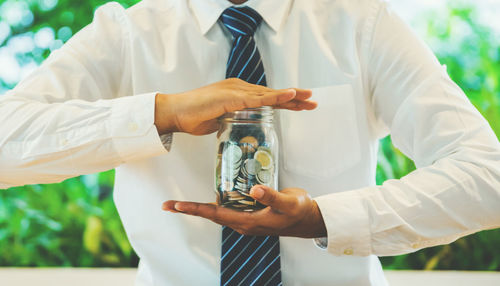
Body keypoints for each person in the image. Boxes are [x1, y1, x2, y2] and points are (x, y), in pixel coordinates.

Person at [1, 0, 499, 285]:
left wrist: (326, 218)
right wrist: (162, 112)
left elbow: (488, 176)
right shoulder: (128, 33)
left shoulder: (365, 26)